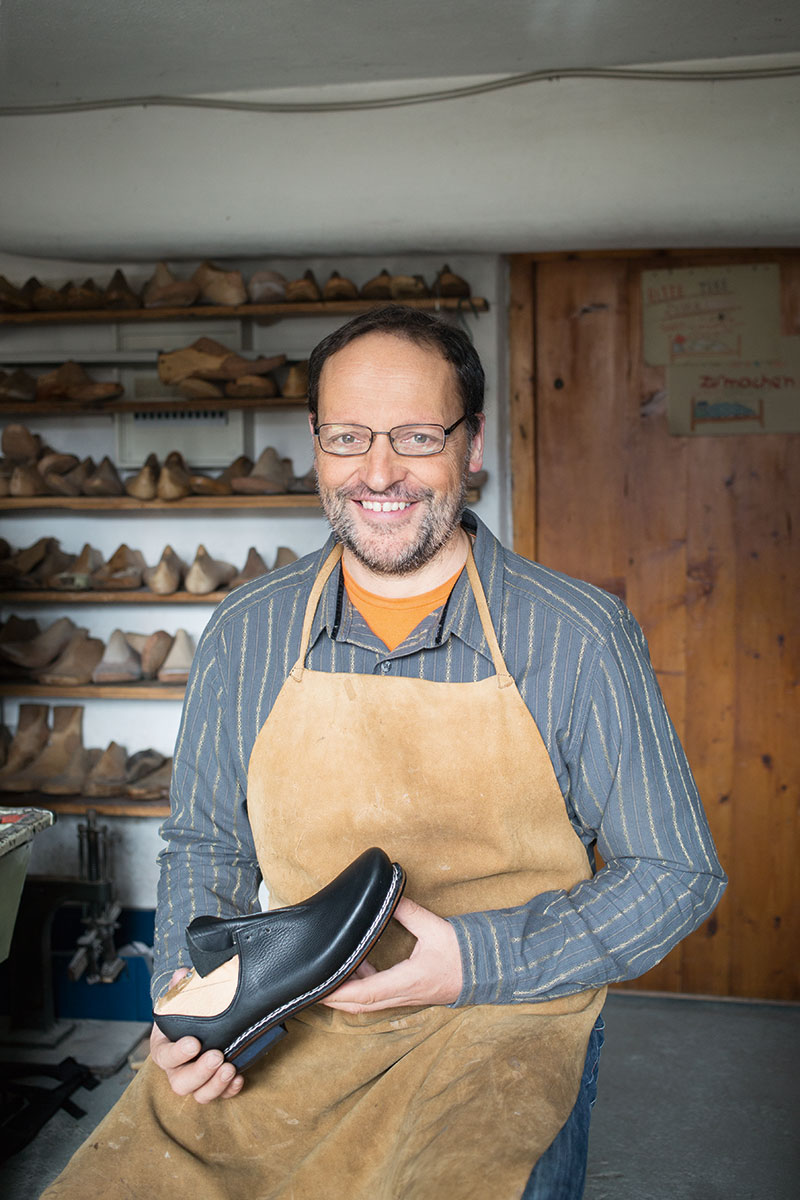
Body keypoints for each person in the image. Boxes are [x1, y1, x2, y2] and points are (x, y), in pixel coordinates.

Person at [44, 306, 726, 1200]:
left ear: (471, 445)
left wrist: (477, 963)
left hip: (502, 1020)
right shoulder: (247, 631)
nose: (378, 472)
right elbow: (204, 844)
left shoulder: (578, 637)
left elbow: (676, 871)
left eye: (414, 436)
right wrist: (190, 1006)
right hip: (290, 1015)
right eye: (347, 436)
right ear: (318, 445)